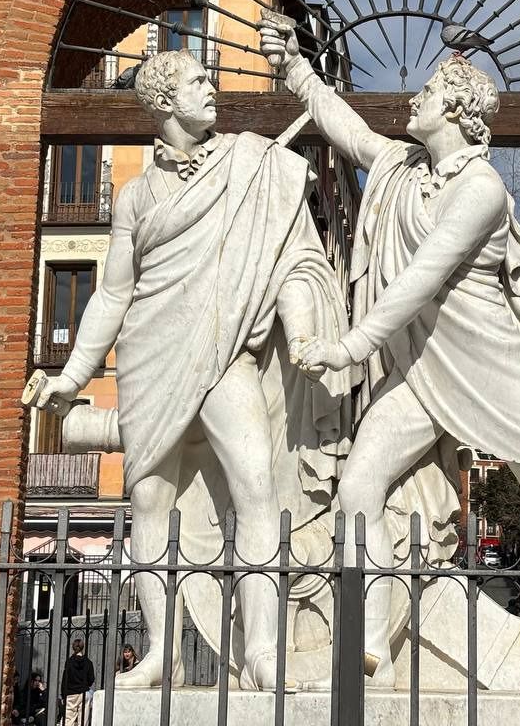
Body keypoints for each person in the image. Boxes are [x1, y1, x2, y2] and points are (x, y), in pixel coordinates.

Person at [259, 24, 520, 694]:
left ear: (456, 110)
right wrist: (298, 71)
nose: (413, 99)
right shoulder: (403, 169)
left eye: (428, 91)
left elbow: (422, 278)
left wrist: (349, 347)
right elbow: (347, 131)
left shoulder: (482, 190)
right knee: (359, 487)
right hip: (420, 368)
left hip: (485, 360)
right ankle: (369, 648)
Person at [30, 49, 351, 690]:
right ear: (165, 101)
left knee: (257, 487)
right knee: (149, 501)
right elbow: (113, 294)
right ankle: (161, 654)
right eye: (199, 82)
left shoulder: (247, 161)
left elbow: (290, 253)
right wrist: (73, 375)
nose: (212, 90)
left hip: (226, 351)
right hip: (151, 354)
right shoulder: (133, 197)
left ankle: (262, 651)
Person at [61, 640, 94, 726]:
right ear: (83, 647)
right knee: (83, 721)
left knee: (68, 721)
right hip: (84, 692)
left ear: (73, 647)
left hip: (71, 694)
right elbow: (91, 679)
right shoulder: (88, 662)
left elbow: (65, 679)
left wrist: (63, 695)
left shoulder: (69, 662)